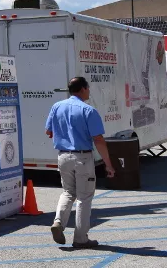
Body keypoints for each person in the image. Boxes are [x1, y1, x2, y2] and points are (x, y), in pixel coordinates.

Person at [45, 76, 115, 249]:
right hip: (82, 157)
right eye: (88, 88)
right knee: (84, 198)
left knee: (68, 192)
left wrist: (65, 135)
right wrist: (108, 164)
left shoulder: (56, 106)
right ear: (83, 89)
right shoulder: (88, 110)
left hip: (63, 156)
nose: (89, 91)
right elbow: (98, 139)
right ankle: (81, 238)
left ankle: (58, 222)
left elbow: (49, 132)